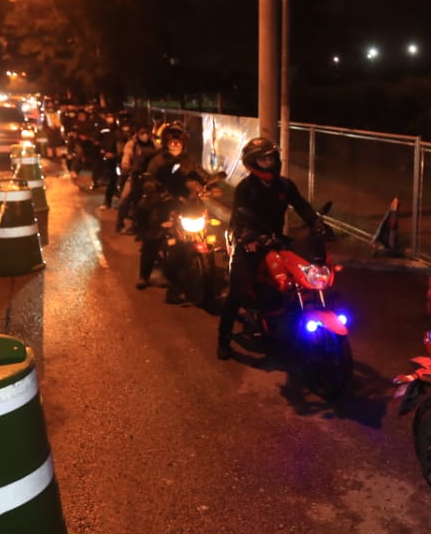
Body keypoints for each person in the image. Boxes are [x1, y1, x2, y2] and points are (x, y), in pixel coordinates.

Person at [216, 136, 323, 360]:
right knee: (237, 289)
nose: (268, 163)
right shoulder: (245, 188)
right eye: (262, 159)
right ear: (252, 162)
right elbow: (237, 217)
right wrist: (246, 235)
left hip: (276, 239)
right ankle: (223, 339)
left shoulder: (284, 185)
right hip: (249, 241)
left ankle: (293, 321)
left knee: (304, 274)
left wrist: (315, 221)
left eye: (270, 158)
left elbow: (301, 205)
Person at [136, 123, 212, 291]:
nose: (176, 145)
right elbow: (149, 179)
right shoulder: (158, 161)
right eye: (172, 142)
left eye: (178, 142)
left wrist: (210, 185)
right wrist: (154, 189)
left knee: (202, 230)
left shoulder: (188, 161)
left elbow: (202, 174)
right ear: (166, 143)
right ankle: (144, 275)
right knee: (154, 237)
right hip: (162, 202)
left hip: (185, 203)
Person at [115, 124, 158, 234]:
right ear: (137, 134)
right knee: (125, 199)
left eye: (147, 133)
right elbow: (127, 155)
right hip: (135, 175)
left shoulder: (154, 144)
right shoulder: (132, 144)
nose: (145, 135)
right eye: (142, 133)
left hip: (150, 177)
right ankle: (119, 223)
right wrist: (126, 164)